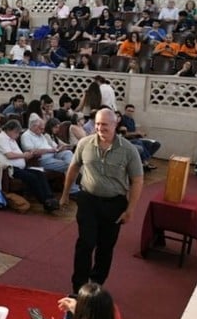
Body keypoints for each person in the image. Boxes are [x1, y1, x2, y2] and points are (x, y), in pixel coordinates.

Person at [60, 109, 143, 293]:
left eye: (104, 124)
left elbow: (137, 180)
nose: (100, 128)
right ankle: (78, 287)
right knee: (85, 243)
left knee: (105, 247)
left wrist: (130, 209)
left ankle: (96, 284)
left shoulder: (129, 150)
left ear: (115, 125)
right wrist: (65, 194)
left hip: (114, 204)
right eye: (97, 124)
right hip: (88, 200)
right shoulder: (84, 144)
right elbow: (73, 168)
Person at [0, 120, 61, 213]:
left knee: (39, 173)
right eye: (16, 133)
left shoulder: (10, 138)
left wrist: (27, 155)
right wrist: (24, 155)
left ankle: (50, 198)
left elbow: (18, 154)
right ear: (9, 130)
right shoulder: (1, 139)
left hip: (20, 167)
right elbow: (9, 155)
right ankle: (45, 201)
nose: (17, 135)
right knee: (32, 177)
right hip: (10, 169)